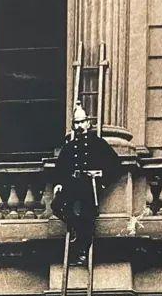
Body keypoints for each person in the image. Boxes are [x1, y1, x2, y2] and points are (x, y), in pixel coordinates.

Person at [47, 101, 122, 266]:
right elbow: (60, 167)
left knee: (88, 217)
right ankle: (75, 227)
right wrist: (59, 183)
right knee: (57, 206)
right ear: (74, 126)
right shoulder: (70, 146)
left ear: (88, 123)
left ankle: (82, 253)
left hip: (89, 185)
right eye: (77, 123)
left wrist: (102, 181)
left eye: (82, 122)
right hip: (72, 184)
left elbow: (116, 166)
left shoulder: (98, 143)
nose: (80, 125)